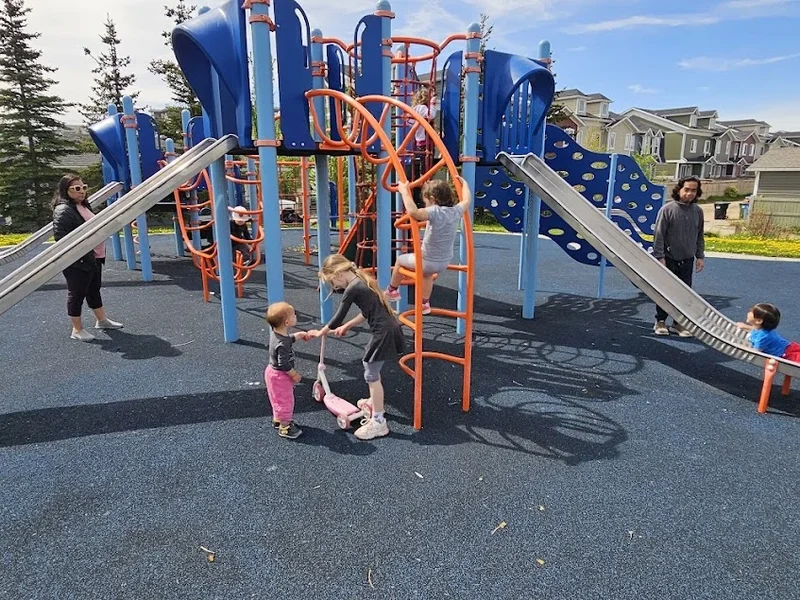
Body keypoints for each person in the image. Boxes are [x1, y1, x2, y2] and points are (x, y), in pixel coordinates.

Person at [310, 254, 405, 440]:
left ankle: (378, 422)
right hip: (389, 328)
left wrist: (322, 331)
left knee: (371, 373)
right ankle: (373, 403)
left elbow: (338, 316)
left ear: (338, 273)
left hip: (383, 332)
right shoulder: (362, 279)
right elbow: (366, 312)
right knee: (370, 367)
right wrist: (348, 326)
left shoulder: (352, 288)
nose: (336, 287)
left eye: (333, 282)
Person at [52, 174, 123, 341]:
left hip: (94, 257)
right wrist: (80, 253)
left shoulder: (82, 206)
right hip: (78, 259)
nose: (82, 191)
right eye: (76, 189)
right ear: (66, 190)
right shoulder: (63, 209)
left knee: (93, 289)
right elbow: (61, 236)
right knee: (76, 294)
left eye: (84, 187)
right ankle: (77, 329)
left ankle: (102, 320)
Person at [385, 177, 471, 315]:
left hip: (427, 261)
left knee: (400, 261)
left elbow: (414, 213)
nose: (425, 204)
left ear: (432, 198)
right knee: (427, 275)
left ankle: (392, 290)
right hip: (443, 262)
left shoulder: (434, 211)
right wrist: (465, 184)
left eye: (426, 201)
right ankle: (425, 303)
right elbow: (467, 200)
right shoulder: (456, 211)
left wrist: (404, 192)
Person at [652, 176, 705, 337]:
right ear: (679, 189)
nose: (689, 193)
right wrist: (660, 257)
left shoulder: (698, 211)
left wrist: (700, 256)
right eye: (686, 189)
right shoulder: (668, 210)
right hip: (669, 258)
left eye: (693, 190)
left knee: (684, 293)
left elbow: (699, 235)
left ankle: (678, 323)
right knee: (666, 292)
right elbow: (659, 235)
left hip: (687, 259)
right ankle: (660, 321)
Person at [265, 301, 312, 439]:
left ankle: (278, 419)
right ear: (286, 322)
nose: (296, 316)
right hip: (280, 375)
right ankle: (285, 427)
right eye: (293, 315)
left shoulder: (276, 333)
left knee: (277, 398)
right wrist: (294, 374)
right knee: (285, 400)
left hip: (272, 372)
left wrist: (298, 335)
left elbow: (286, 340)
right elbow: (283, 363)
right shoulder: (283, 342)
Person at [736, 303, 800, 363]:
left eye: (751, 312)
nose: (748, 312)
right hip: (788, 346)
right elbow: (756, 330)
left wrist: (739, 347)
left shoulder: (762, 338)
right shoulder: (763, 330)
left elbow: (756, 352)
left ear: (759, 321)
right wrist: (744, 326)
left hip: (786, 354)